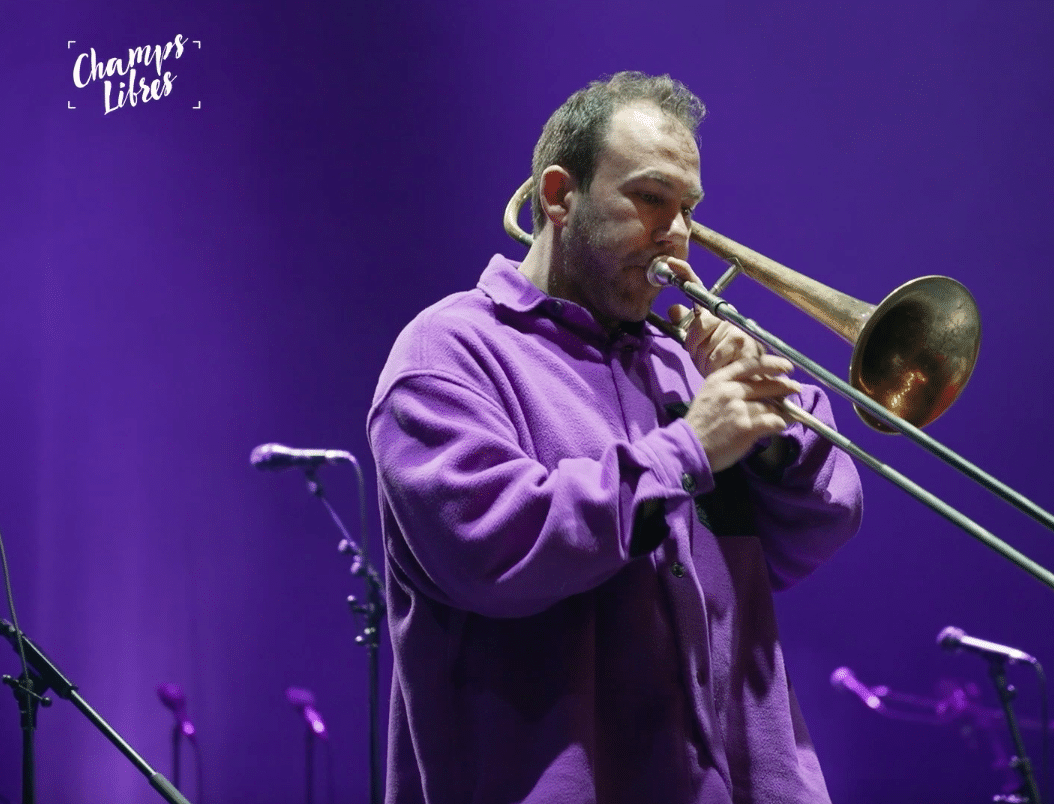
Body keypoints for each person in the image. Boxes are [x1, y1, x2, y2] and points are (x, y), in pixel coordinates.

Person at [367, 71, 863, 804]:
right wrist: (690, 450)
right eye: (650, 198)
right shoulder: (447, 352)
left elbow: (821, 526)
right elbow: (494, 550)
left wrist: (771, 433)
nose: (680, 233)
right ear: (559, 195)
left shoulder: (680, 362)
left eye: (688, 208)